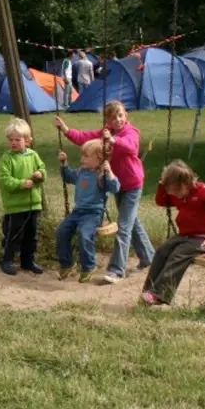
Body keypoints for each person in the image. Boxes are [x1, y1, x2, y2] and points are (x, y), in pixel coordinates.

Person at [55, 100, 154, 283]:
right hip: (115, 184)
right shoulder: (105, 133)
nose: (118, 120)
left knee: (124, 227)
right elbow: (84, 138)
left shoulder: (131, 132)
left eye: (120, 115)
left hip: (132, 184)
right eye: (113, 118)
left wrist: (112, 140)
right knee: (132, 222)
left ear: (126, 116)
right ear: (107, 121)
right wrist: (66, 130)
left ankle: (116, 270)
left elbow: (131, 146)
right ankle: (148, 257)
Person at [142, 161, 205, 305]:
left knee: (178, 255)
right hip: (184, 236)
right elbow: (162, 201)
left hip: (203, 239)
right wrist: (161, 185)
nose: (175, 195)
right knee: (162, 251)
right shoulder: (179, 192)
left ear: (185, 183)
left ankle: (159, 294)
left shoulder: (203, 191)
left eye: (176, 191)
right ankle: (149, 291)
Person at [56, 140, 120, 282]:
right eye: (82, 155)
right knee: (61, 231)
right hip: (77, 212)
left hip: (93, 214)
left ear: (99, 159)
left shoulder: (101, 175)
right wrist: (64, 163)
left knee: (84, 234)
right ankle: (67, 264)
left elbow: (115, 188)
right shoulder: (80, 172)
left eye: (86, 156)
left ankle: (89, 267)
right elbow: (68, 177)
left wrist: (109, 172)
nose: (82, 159)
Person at [0, 118, 46, 276]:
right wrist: (21, 184)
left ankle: (28, 261)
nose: (13, 143)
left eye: (17, 140)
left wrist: (40, 174)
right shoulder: (7, 158)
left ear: (27, 141)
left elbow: (42, 169)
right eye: (11, 140)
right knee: (14, 234)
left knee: (32, 234)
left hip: (33, 204)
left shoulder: (33, 155)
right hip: (15, 205)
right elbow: (5, 180)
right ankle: (8, 260)